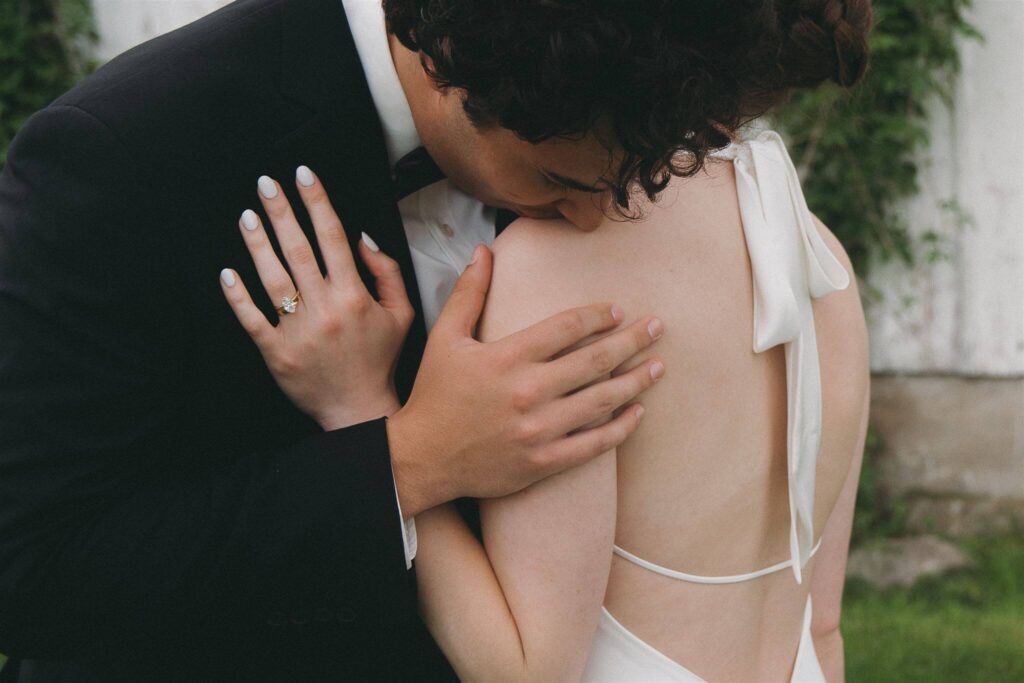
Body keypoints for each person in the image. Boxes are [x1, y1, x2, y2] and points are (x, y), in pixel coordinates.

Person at [0, 0, 669, 680]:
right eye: (556, 180)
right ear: (448, 71)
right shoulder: (121, 150)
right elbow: (29, 567)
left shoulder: (630, 80)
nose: (596, 218)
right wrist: (409, 458)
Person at [228, 0, 873, 681]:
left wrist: (362, 408)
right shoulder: (821, 261)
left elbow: (529, 670)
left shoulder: (555, 275)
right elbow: (823, 625)